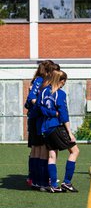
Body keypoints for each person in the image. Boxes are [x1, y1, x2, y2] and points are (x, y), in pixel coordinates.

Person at [38, 70, 79, 193]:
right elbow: (63, 114)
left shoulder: (43, 91)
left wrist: (50, 113)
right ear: (60, 81)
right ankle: (67, 182)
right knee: (75, 151)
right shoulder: (60, 94)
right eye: (63, 82)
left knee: (52, 155)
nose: (64, 84)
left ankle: (54, 185)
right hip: (56, 126)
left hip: (45, 128)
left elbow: (40, 108)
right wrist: (70, 132)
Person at [25, 60, 60, 190]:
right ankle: (42, 180)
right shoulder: (41, 81)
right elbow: (31, 99)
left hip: (35, 118)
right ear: (49, 71)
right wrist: (44, 107)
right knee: (41, 150)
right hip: (39, 119)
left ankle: (35, 179)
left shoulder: (39, 81)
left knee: (36, 149)